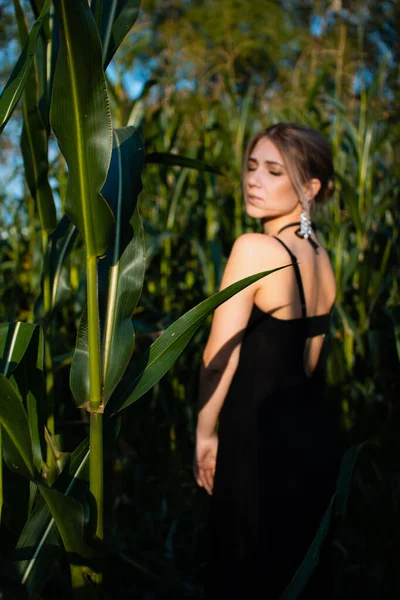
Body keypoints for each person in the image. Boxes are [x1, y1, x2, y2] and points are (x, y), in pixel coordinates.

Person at [194, 123, 342, 598]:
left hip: (254, 438)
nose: (254, 180)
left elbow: (219, 358)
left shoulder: (254, 249)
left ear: (311, 188)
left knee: (243, 572)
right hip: (310, 437)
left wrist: (204, 432)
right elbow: (309, 362)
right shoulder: (322, 257)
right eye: (252, 166)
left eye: (274, 171)